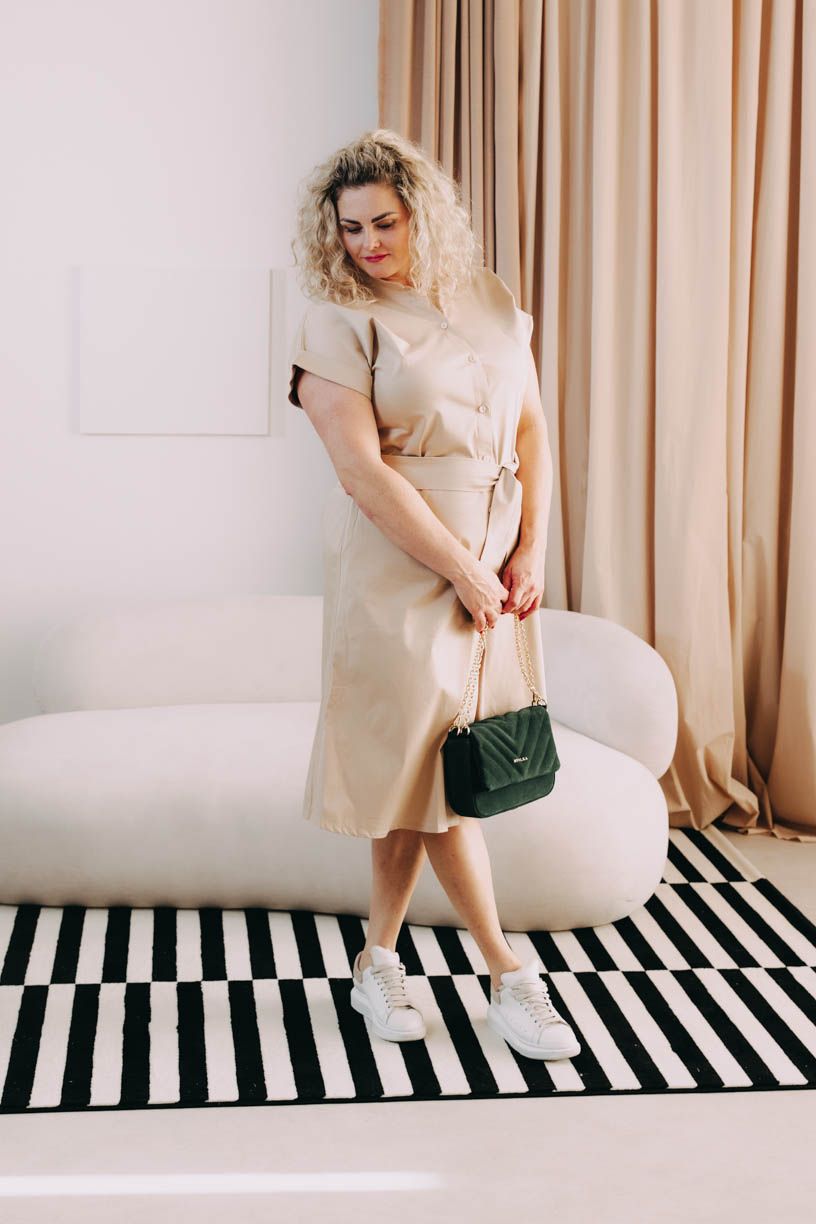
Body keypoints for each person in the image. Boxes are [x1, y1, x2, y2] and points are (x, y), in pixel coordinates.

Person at [287, 128, 580, 1062]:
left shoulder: (488, 299)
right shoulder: (336, 321)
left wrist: (532, 547)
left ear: (423, 214)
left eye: (384, 222)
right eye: (351, 229)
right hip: (399, 566)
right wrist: (460, 567)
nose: (367, 244)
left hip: (496, 561)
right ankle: (509, 973)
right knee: (432, 771)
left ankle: (376, 958)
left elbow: (531, 430)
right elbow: (360, 473)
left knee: (425, 768)